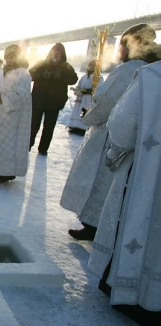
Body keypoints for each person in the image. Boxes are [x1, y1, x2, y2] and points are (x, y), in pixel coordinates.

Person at [60, 24, 158, 241]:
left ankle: (93, 224)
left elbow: (106, 101)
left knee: (100, 181)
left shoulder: (128, 69)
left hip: (111, 136)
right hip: (140, 140)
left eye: (122, 44)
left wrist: (90, 112)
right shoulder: (154, 70)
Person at [87, 58, 161, 326]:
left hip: (149, 176)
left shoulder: (152, 76)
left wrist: (115, 152)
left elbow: (122, 122)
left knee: (141, 225)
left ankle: (130, 293)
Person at [0, 45, 31, 184]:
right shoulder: (6, 71)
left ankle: (6, 173)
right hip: (2, 114)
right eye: (7, 57)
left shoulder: (23, 73)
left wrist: (1, 97)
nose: (9, 60)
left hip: (14, 117)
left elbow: (20, 95)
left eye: (11, 57)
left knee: (9, 144)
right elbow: (1, 90)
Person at [28, 43, 78, 155]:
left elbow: (73, 79)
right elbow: (30, 74)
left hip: (54, 103)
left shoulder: (66, 66)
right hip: (38, 100)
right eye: (54, 51)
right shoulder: (42, 64)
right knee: (33, 125)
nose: (56, 54)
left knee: (49, 127)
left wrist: (60, 75)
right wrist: (42, 73)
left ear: (62, 54)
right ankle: (28, 145)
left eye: (58, 52)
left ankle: (43, 148)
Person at [66, 60, 103, 135]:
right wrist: (76, 89)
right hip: (81, 98)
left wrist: (86, 91)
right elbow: (79, 85)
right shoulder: (84, 76)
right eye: (91, 65)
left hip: (89, 99)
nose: (92, 67)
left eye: (94, 65)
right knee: (77, 112)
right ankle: (74, 126)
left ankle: (82, 129)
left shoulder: (98, 77)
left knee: (84, 113)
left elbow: (99, 89)